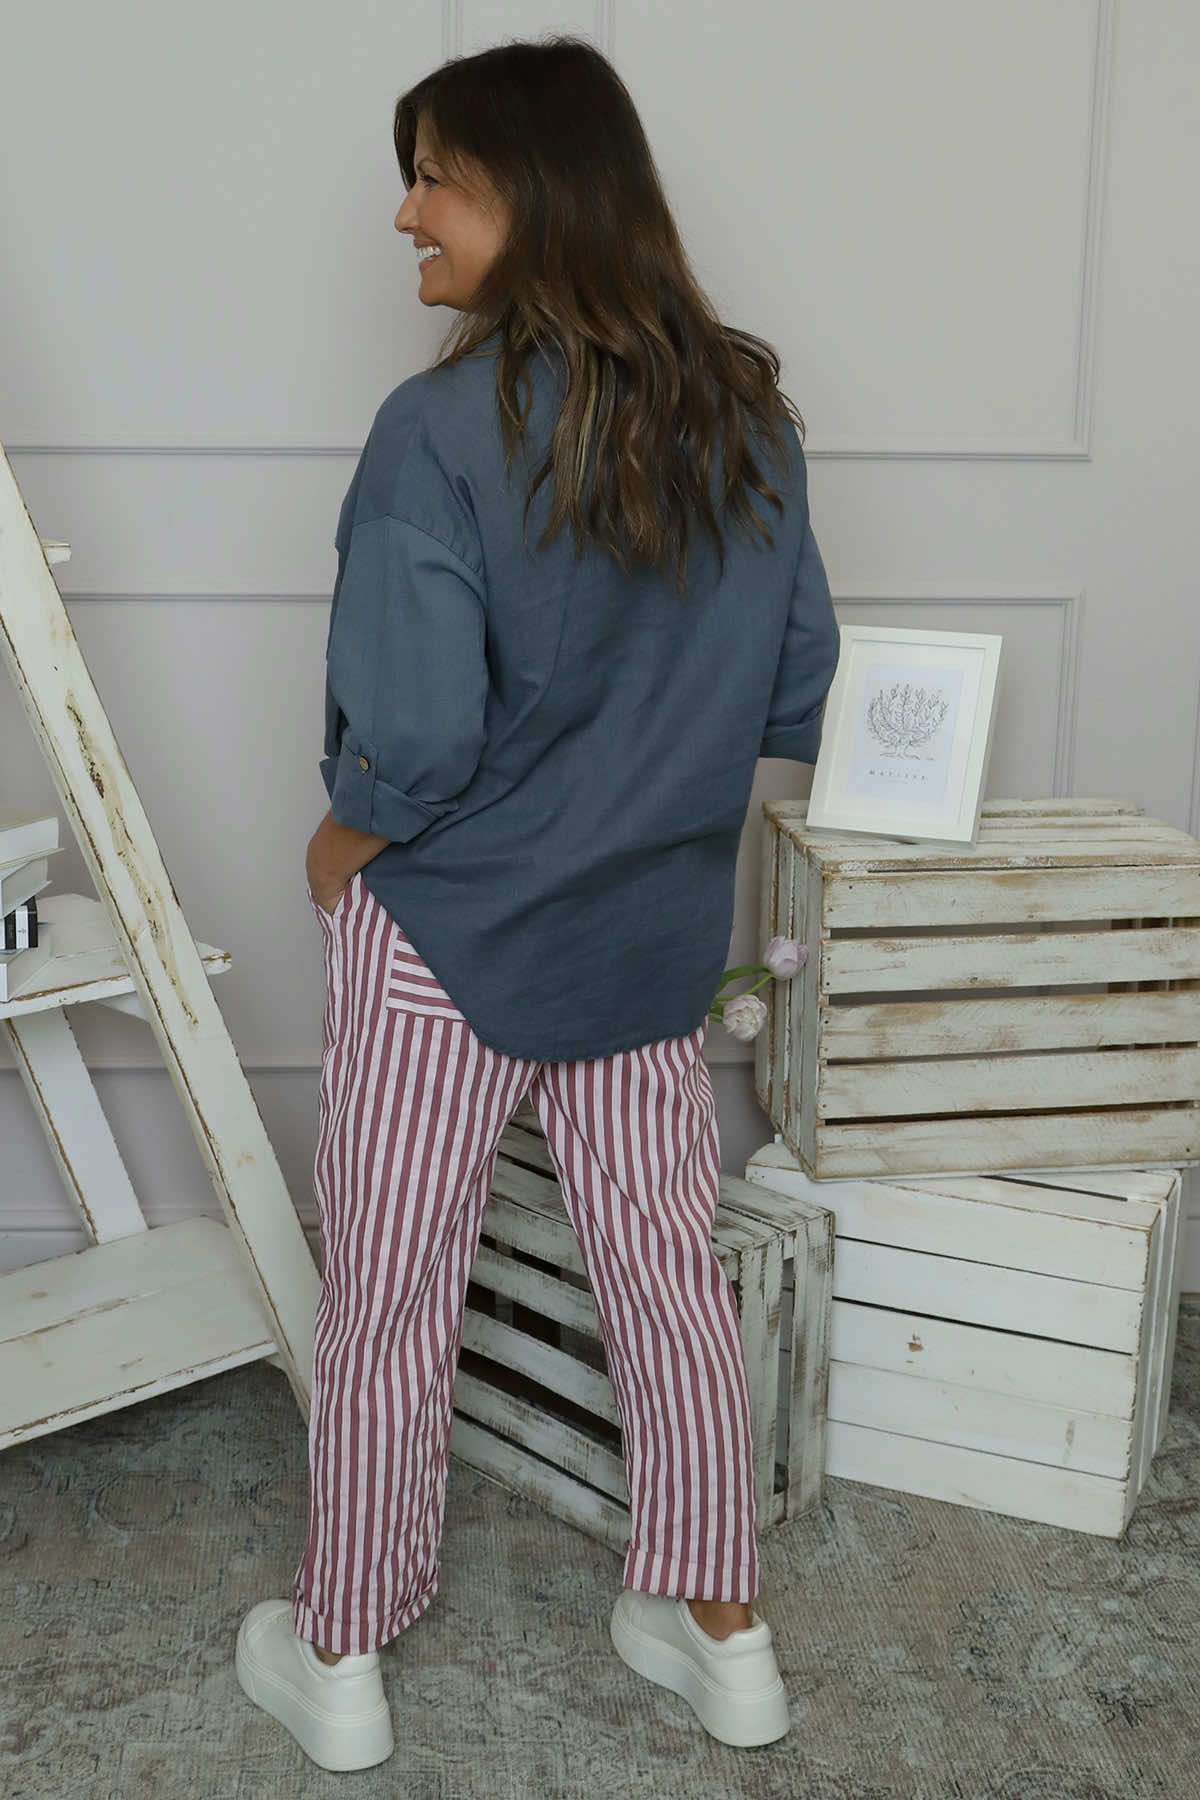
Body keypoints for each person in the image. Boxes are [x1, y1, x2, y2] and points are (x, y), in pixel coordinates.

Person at [235, 33, 840, 1772]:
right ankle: (724, 1634)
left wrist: (341, 842)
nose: (405, 214)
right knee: (666, 1277)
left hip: (449, 936)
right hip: (646, 942)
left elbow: (414, 735)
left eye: (435, 175)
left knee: (390, 1288)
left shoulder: (434, 430)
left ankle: (342, 1651)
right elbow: (795, 681)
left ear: (536, 190)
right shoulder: (746, 419)